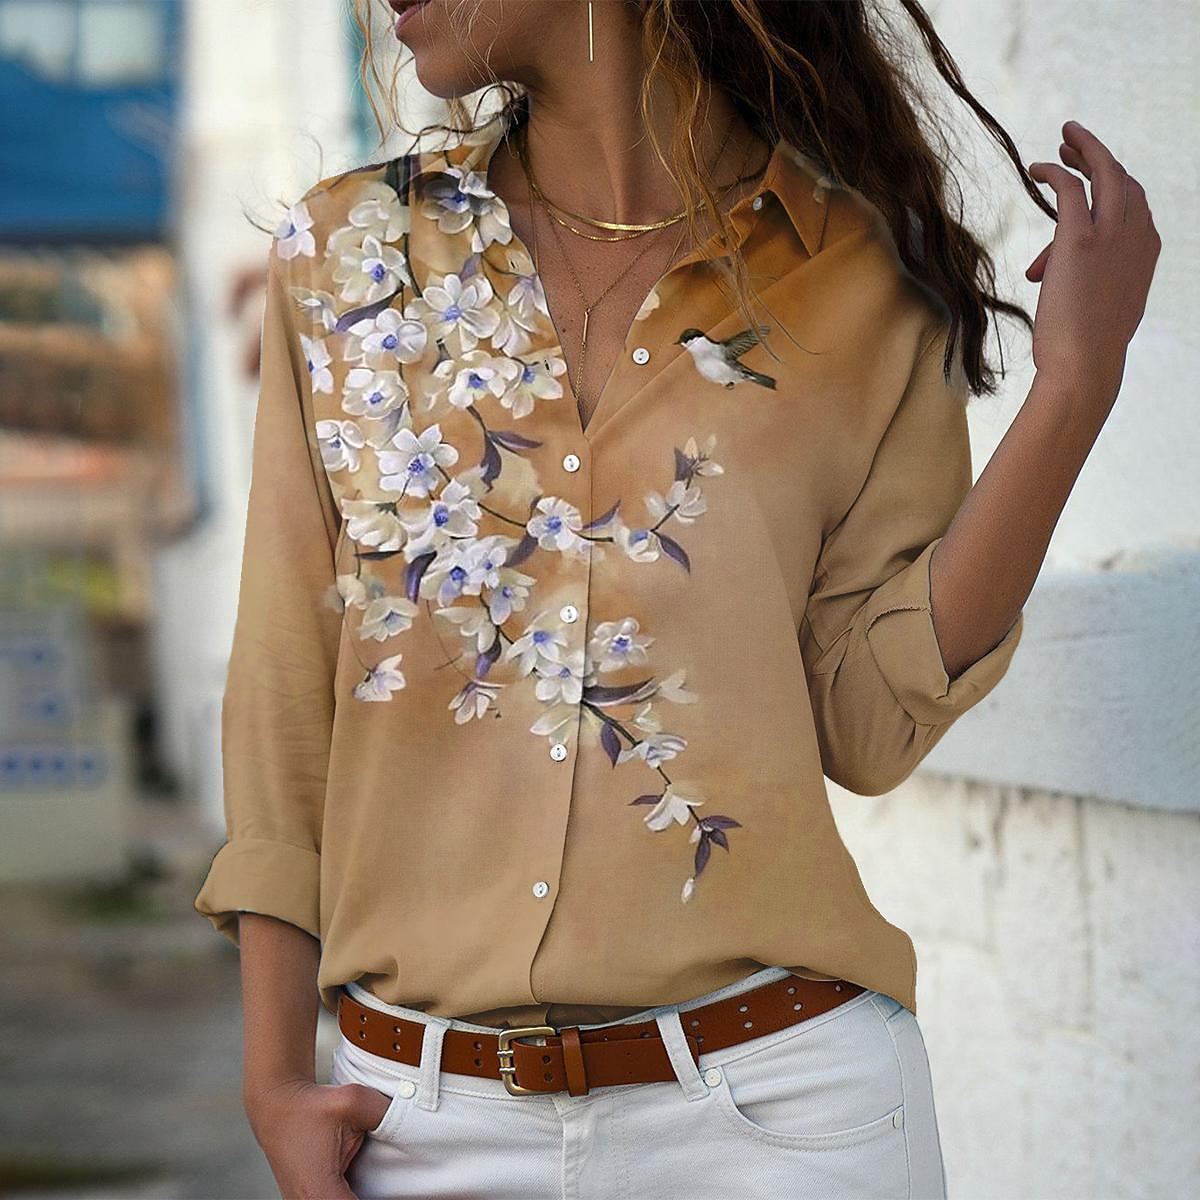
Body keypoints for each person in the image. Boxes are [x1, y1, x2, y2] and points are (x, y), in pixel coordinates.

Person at [192, 2, 1160, 1197]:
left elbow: (864, 721)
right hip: (417, 1127)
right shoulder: (350, 255)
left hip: (781, 1118)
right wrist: (274, 1074)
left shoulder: (861, 276)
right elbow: (288, 677)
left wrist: (1074, 391)